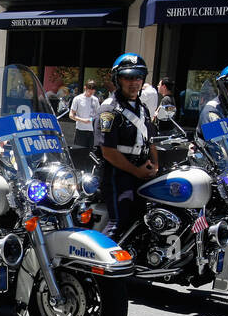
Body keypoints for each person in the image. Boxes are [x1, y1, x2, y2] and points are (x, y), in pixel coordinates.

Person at [95, 52, 159, 240]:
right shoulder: (109, 109)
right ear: (118, 79)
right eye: (128, 77)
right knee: (119, 221)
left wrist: (155, 165)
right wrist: (136, 171)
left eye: (138, 77)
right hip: (117, 175)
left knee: (142, 221)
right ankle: (103, 264)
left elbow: (151, 141)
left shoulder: (142, 108)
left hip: (141, 172)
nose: (134, 82)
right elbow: (108, 151)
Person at [68, 79, 100, 170]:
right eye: (89, 89)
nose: (91, 92)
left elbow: (98, 114)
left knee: (91, 154)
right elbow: (71, 115)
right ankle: (78, 171)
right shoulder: (77, 99)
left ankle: (89, 172)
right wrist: (82, 120)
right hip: (81, 130)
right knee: (79, 152)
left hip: (92, 130)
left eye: (93, 90)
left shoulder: (95, 100)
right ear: (85, 88)